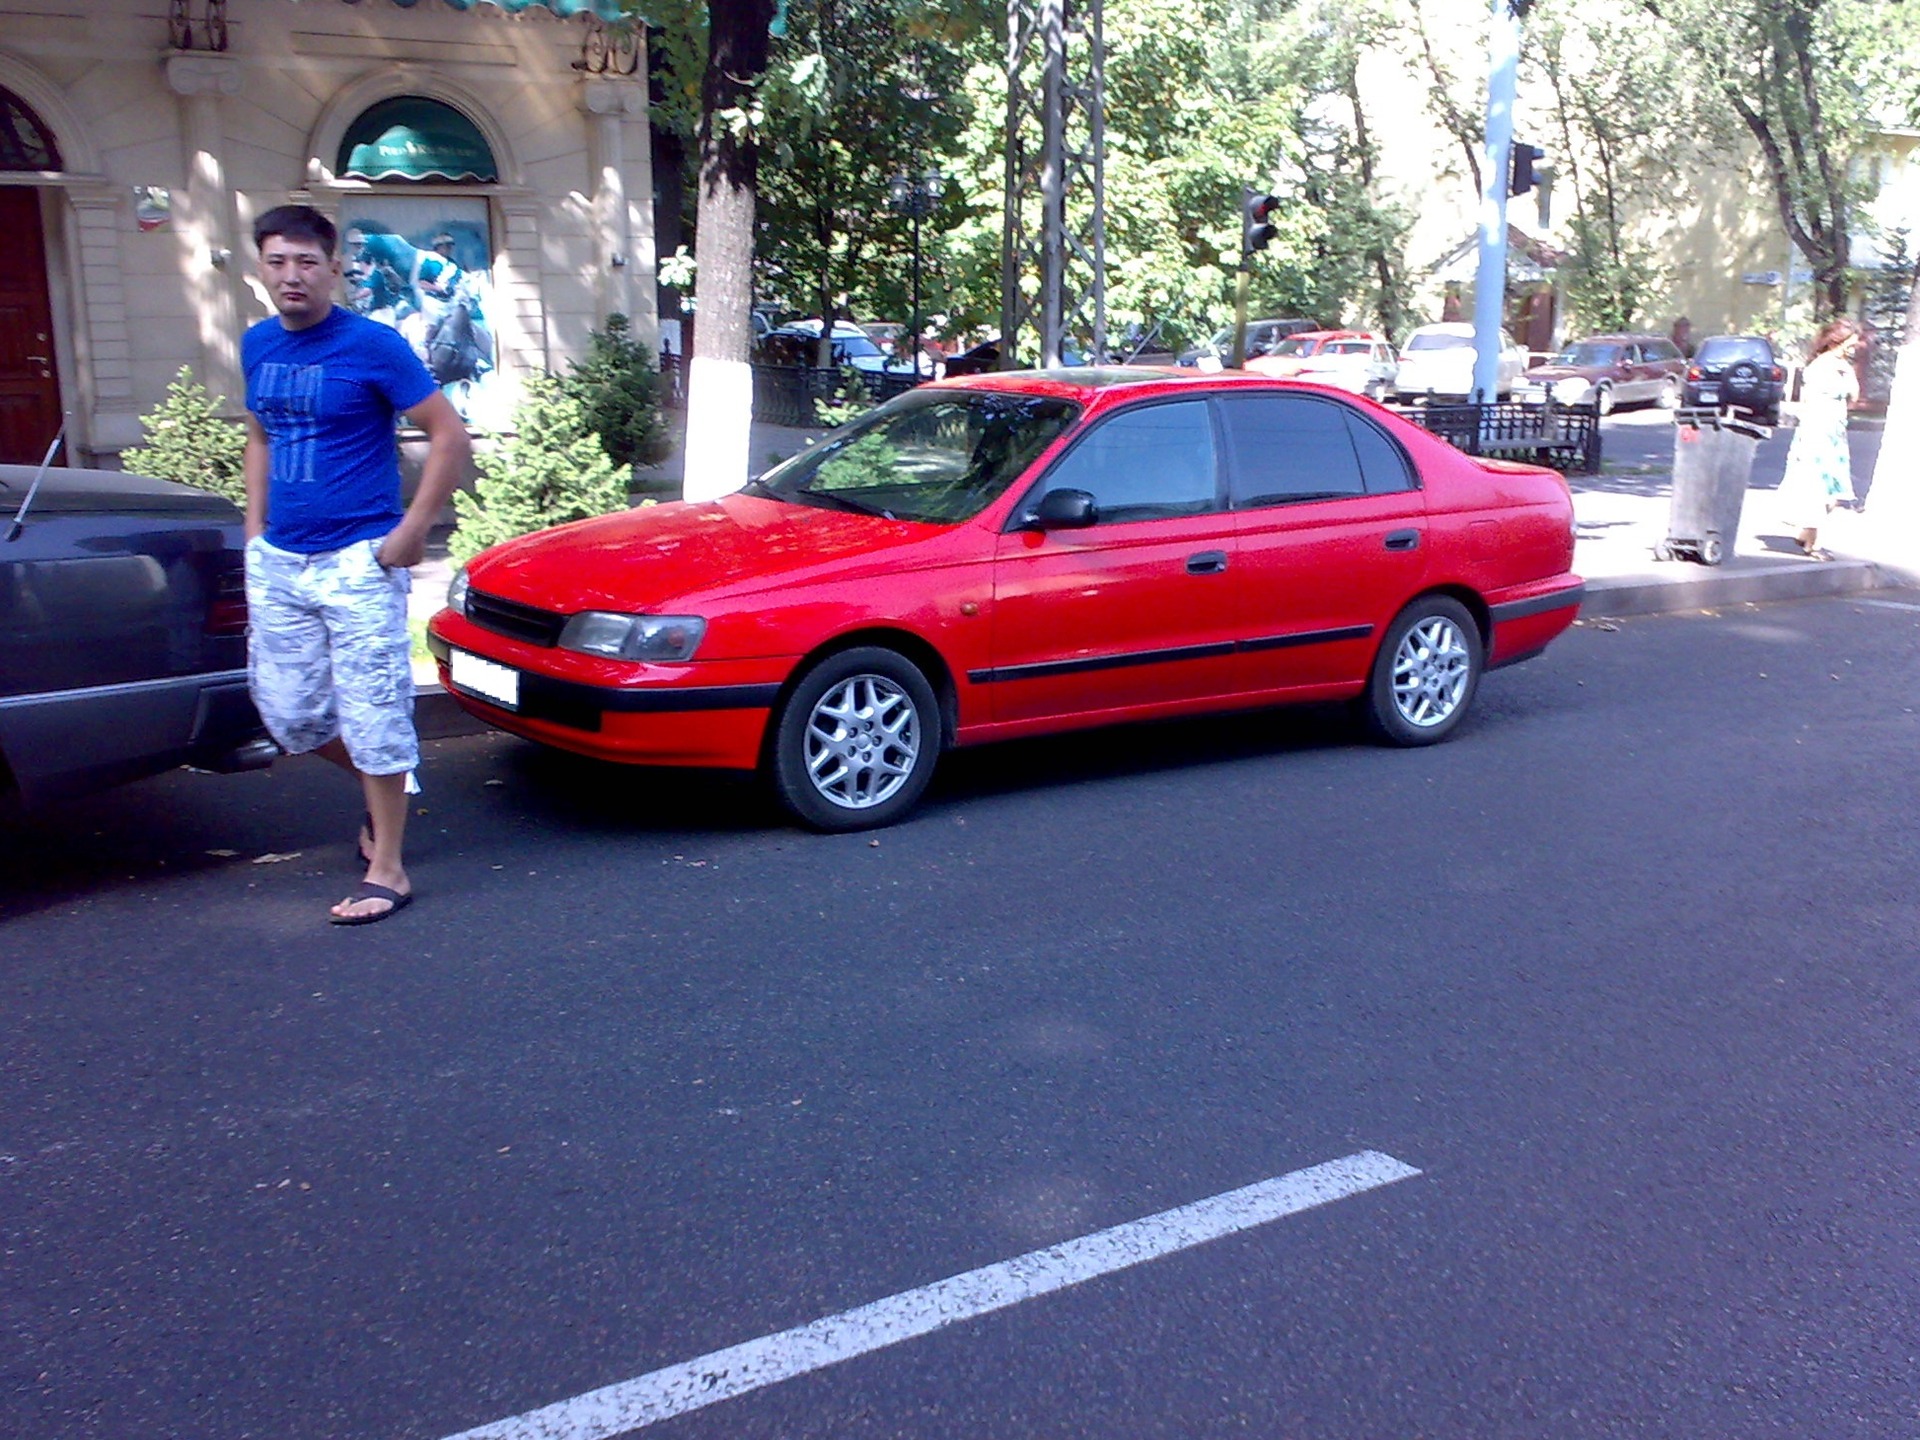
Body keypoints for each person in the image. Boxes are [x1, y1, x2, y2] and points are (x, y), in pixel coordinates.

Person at [242, 204, 472, 924]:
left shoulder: (372, 345)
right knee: (292, 716)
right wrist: (254, 529)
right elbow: (259, 437)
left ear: (332, 268)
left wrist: (413, 530)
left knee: (373, 713)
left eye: (307, 262)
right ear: (261, 268)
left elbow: (449, 437)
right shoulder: (255, 346)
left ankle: (389, 868)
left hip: (358, 557)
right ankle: (389, 782)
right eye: (278, 261)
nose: (292, 275)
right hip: (280, 559)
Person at [1777, 317, 1861, 560]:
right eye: (1850, 344)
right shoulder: (1819, 368)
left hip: (1835, 434)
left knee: (1834, 495)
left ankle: (1805, 533)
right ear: (1837, 341)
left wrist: (1848, 373)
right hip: (1817, 432)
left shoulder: (1842, 366)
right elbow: (1810, 403)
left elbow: (1854, 397)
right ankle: (1812, 544)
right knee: (1818, 490)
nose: (1852, 349)